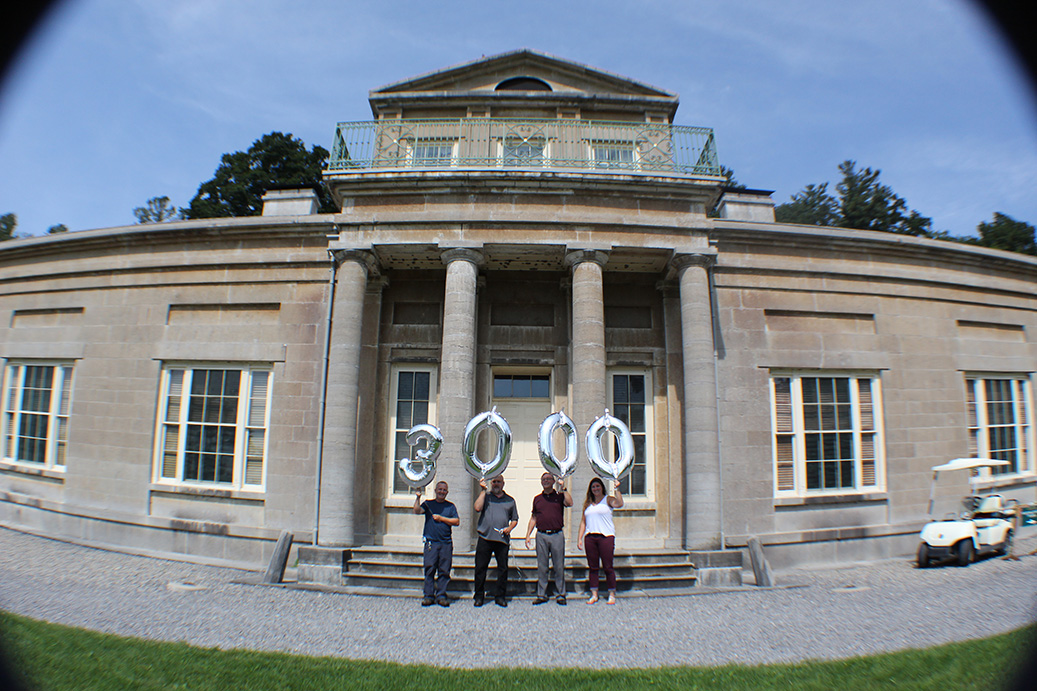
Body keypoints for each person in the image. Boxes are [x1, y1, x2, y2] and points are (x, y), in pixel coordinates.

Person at [524, 472, 573, 605]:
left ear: (553, 481)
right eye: (543, 479)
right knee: (542, 566)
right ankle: (542, 594)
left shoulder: (559, 496)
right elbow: (534, 517)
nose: (546, 481)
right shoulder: (537, 499)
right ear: (541, 482)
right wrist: (528, 534)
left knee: (558, 566)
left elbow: (570, 503)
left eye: (548, 479)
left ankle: (561, 594)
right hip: (541, 535)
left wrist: (564, 488)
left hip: (557, 534)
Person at [473, 474, 518, 607]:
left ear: (503, 484)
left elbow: (515, 519)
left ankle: (500, 597)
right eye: (494, 482)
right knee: (480, 568)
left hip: (502, 540)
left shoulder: (510, 500)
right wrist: (483, 491)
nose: (496, 484)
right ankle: (479, 596)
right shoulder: (486, 497)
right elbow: (477, 507)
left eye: (498, 482)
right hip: (485, 538)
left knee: (503, 569)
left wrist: (509, 528)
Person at [577, 476, 623, 605]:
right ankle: (594, 594)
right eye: (593, 487)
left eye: (597, 486)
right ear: (590, 490)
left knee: (608, 567)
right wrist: (579, 538)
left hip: (606, 537)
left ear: (602, 487)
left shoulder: (608, 500)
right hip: (590, 537)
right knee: (593, 567)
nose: (595, 489)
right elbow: (583, 522)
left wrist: (617, 489)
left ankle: (612, 594)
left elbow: (619, 504)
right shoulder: (587, 505)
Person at [413, 480, 459, 607]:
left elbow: (456, 521)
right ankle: (428, 596)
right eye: (440, 489)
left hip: (446, 543)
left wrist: (441, 518)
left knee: (444, 570)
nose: (442, 492)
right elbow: (417, 511)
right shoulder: (428, 504)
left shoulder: (450, 506)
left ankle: (441, 596)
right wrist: (418, 498)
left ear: (447, 492)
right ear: (435, 490)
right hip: (431, 543)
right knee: (429, 569)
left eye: (444, 490)